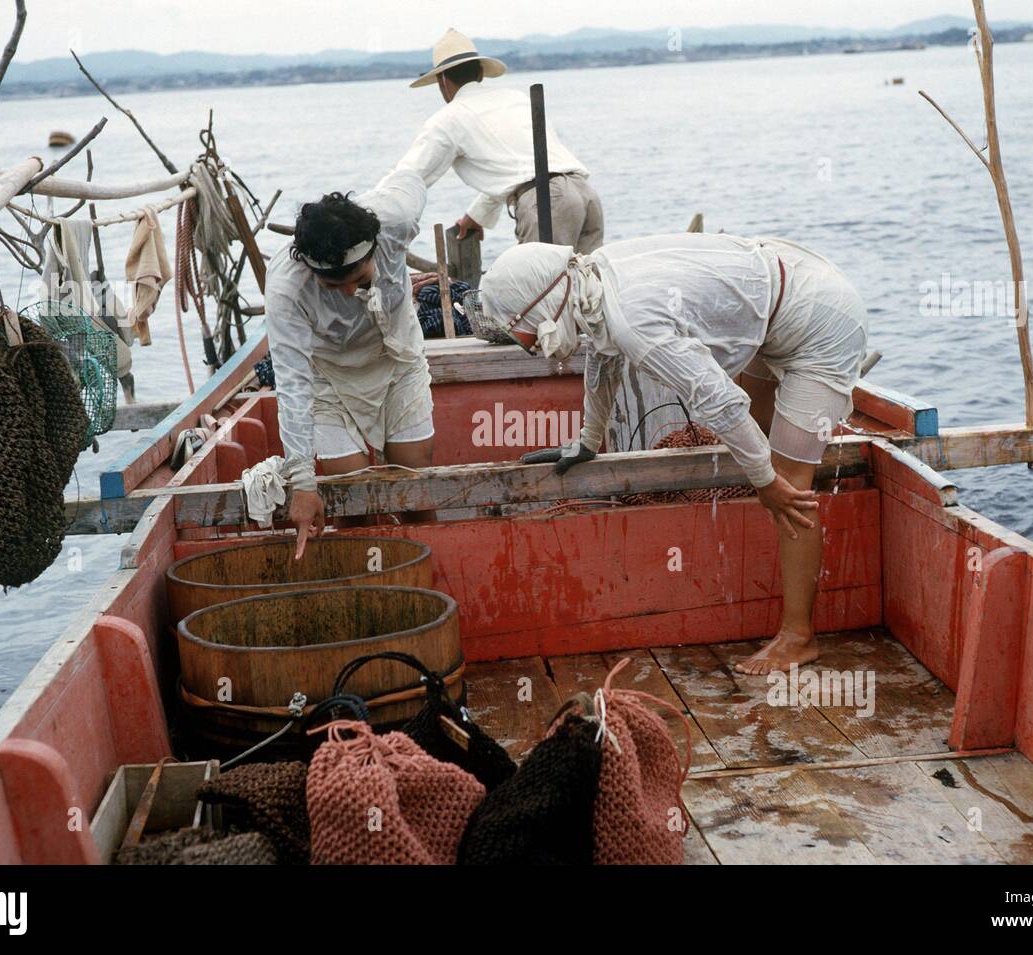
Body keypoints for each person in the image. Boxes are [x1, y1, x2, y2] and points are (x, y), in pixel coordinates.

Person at [477, 234, 869, 674]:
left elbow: (720, 402)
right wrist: (588, 439)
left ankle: (799, 637)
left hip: (822, 318)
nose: (524, 341)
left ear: (542, 301)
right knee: (758, 440)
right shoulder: (592, 279)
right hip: (778, 300)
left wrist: (766, 482)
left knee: (789, 486)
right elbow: (604, 358)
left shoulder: (633, 322)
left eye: (520, 329)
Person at [263, 169, 436, 557]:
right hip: (329, 377)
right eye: (332, 285)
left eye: (357, 279)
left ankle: (427, 564)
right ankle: (367, 575)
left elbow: (416, 173)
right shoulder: (285, 289)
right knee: (350, 493)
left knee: (414, 485)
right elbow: (292, 383)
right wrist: (303, 483)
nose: (346, 291)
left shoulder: (396, 218)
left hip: (396, 357)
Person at [395, 28, 603, 253]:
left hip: (548, 202)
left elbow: (408, 179)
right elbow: (522, 171)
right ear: (481, 74)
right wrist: (476, 216)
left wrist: (364, 216)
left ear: (442, 80)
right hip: (585, 194)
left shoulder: (450, 117)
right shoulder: (516, 99)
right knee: (586, 284)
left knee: (542, 285)